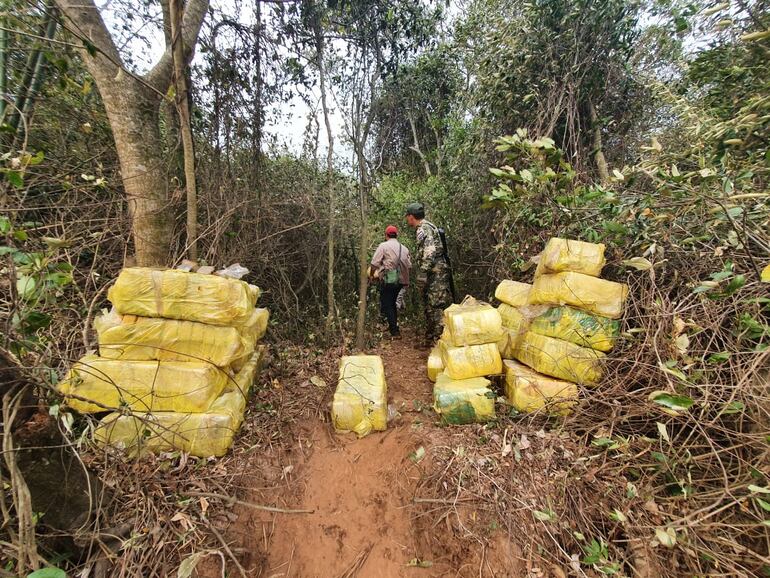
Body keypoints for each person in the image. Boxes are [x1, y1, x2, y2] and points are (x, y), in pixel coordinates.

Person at [405, 203, 453, 344]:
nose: (407, 220)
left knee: (436, 304)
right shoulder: (426, 227)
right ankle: (431, 336)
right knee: (429, 304)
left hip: (436, 271)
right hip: (434, 271)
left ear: (411, 217)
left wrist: (423, 272)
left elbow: (430, 252)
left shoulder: (424, 228)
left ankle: (439, 341)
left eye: (407, 217)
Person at [370, 225, 411, 337]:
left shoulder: (383, 246)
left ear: (386, 235)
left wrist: (371, 275)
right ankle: (393, 326)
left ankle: (394, 331)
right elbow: (409, 265)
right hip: (402, 281)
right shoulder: (405, 248)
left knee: (387, 304)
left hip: (389, 280)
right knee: (392, 304)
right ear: (396, 235)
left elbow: (374, 263)